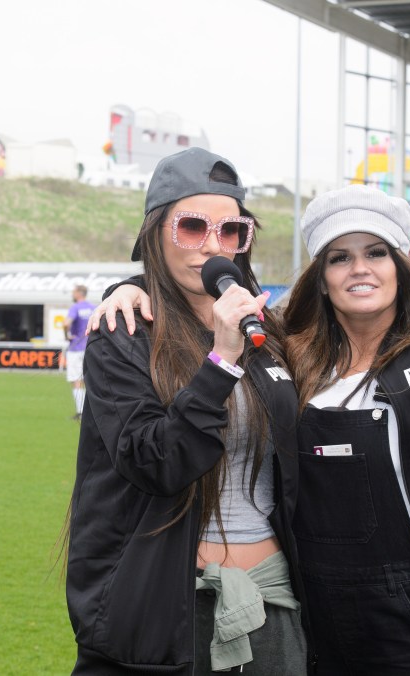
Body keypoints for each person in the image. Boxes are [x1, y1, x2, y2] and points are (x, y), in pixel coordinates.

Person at [91, 134, 410, 674]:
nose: (360, 269)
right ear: (323, 278)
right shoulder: (289, 351)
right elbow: (186, 298)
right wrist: (129, 287)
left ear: (400, 265)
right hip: (316, 608)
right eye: (340, 258)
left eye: (376, 253)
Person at [66, 148, 309, 674]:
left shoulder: (267, 330)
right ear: (155, 232)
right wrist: (220, 360)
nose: (211, 246)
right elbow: (158, 463)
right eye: (192, 227)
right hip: (169, 609)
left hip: (275, 602)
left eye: (230, 231)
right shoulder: (126, 329)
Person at [64, 284, 95, 421]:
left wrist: (67, 336)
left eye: (73, 291)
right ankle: (94, 412)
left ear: (78, 293)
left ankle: (81, 411)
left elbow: (66, 323)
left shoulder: (75, 307)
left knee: (76, 379)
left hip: (76, 348)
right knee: (91, 379)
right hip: (91, 347)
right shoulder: (93, 307)